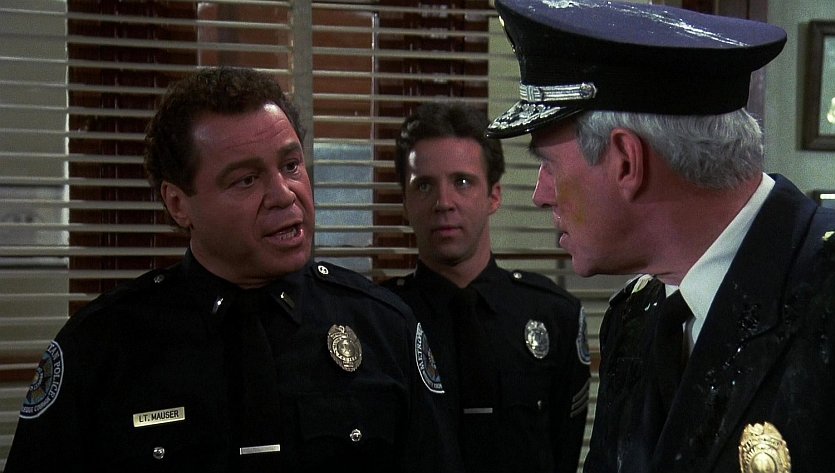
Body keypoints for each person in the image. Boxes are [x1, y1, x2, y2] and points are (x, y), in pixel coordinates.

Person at [4, 66, 463, 473]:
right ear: (178, 204)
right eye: (246, 179)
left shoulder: (385, 329)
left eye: (291, 165)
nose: (283, 194)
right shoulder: (103, 349)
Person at [485, 1, 835, 472]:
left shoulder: (823, 296)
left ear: (626, 162)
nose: (540, 195)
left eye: (548, 166)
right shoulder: (636, 316)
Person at [382, 102, 591, 473]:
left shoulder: (554, 315)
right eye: (425, 185)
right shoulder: (379, 320)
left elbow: (562, 452)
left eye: (462, 182)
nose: (444, 203)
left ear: (494, 196)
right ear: (405, 203)